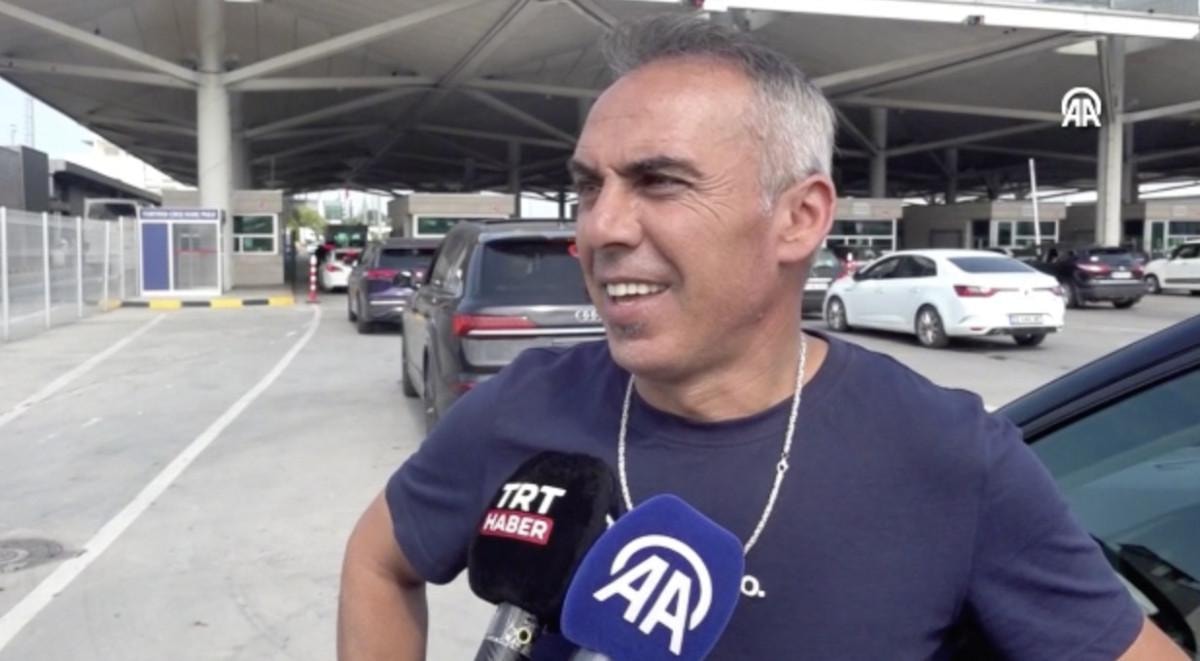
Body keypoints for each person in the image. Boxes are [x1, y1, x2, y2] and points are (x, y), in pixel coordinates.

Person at [337, 14, 1185, 661]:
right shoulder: (523, 406)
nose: (599, 228)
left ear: (799, 218)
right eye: (590, 187)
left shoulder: (952, 457)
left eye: (658, 181)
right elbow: (378, 561)